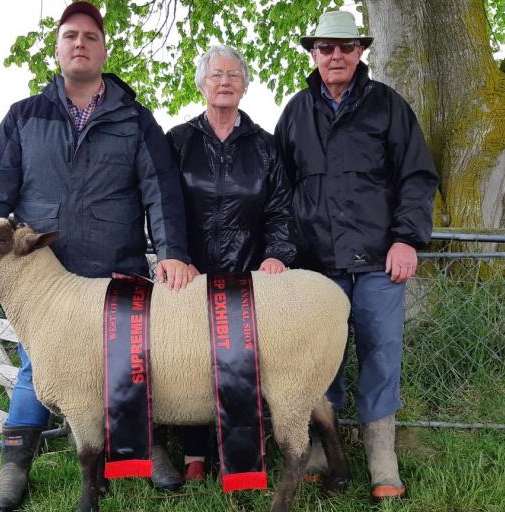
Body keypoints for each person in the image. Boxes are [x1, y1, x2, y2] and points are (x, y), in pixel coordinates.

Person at [0, 2, 190, 509]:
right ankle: (15, 467)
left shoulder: (135, 119)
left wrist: (172, 252)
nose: (80, 43)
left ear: (103, 49)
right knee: (40, 368)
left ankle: (147, 445)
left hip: (113, 265)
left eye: (90, 37)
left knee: (132, 361)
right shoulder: (24, 117)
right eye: (70, 36)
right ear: (57, 48)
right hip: (43, 274)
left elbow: (160, 190)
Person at [274, 10, 439, 501]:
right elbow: (279, 192)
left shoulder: (388, 106)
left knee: (381, 357)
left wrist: (407, 238)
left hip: (378, 263)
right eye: (326, 47)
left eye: (345, 47)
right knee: (318, 363)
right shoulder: (296, 112)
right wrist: (284, 254)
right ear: (314, 54)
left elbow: (416, 176)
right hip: (315, 269)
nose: (336, 55)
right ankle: (324, 448)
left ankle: (380, 457)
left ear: (361, 51)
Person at [165, 45, 296, 482]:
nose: (224, 82)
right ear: (202, 83)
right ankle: (194, 454)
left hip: (247, 275)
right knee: (190, 363)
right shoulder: (177, 142)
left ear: (244, 85)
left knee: (241, 362)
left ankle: (240, 455)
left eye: (233, 75)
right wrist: (177, 258)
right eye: (216, 74)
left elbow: (280, 210)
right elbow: (164, 208)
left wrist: (277, 255)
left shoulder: (266, 147)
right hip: (190, 276)